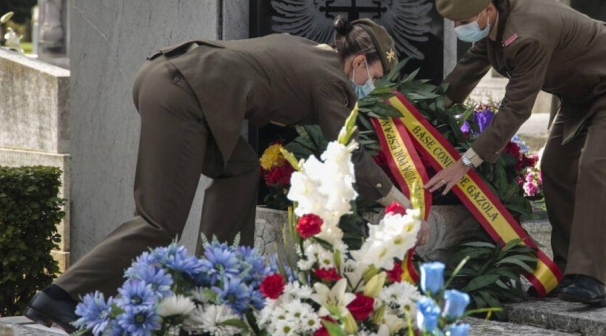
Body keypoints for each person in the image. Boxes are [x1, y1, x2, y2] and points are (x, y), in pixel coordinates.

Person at [25, 17, 422, 331]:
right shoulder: (332, 78)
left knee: (242, 170)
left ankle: (215, 286)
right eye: (373, 76)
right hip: (183, 93)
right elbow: (344, 147)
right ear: (357, 62)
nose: (371, 85)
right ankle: (62, 295)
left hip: (172, 80)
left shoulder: (309, 51)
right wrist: (393, 198)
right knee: (159, 221)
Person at [424, 0, 606, 308]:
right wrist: (424, 115)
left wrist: (466, 162)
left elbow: (516, 108)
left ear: (487, 9)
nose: (459, 28)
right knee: (556, 166)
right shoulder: (496, 17)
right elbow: (466, 72)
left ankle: (589, 277)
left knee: (595, 165)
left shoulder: (526, 33)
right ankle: (565, 272)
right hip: (582, 91)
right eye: (454, 22)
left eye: (463, 21)